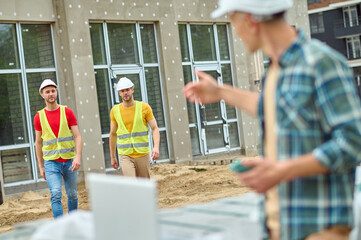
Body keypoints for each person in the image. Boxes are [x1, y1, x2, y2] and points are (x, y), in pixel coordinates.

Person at [183, 0, 361, 239]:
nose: (234, 29)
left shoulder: (321, 63)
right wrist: (221, 93)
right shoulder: (277, 71)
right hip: (279, 227)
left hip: (319, 228)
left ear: (251, 20)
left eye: (234, 20)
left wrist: (281, 170)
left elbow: (352, 141)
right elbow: (276, 110)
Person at [34, 79, 82, 218]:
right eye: (47, 92)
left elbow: (77, 136)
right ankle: (60, 227)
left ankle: (72, 222)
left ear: (56, 92)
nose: (51, 94)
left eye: (53, 91)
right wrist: (41, 166)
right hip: (51, 163)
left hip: (69, 161)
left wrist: (77, 157)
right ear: (42, 95)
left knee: (72, 194)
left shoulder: (67, 112)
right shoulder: (39, 117)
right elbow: (38, 143)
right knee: (55, 193)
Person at [109, 77, 160, 178]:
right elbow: (113, 134)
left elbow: (154, 128)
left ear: (132, 89)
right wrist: (112, 157)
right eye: (122, 91)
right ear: (119, 93)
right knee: (131, 185)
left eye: (127, 90)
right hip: (125, 155)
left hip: (142, 154)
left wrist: (156, 147)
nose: (125, 93)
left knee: (143, 186)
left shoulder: (144, 108)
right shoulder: (115, 111)